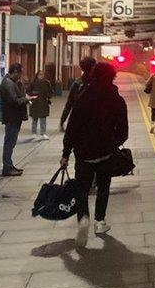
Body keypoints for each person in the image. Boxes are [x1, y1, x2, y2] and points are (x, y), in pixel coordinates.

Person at [60, 61, 128, 246]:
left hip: (84, 155)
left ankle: (83, 219)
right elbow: (124, 132)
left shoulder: (83, 98)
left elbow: (72, 129)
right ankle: (100, 222)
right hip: (106, 154)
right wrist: (112, 144)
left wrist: (66, 153)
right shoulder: (117, 100)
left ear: (93, 75)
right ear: (112, 77)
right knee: (103, 188)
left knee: (82, 189)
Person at [0, 63, 34, 176]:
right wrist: (26, 99)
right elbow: (14, 101)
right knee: (9, 142)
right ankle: (7, 167)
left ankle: (9, 165)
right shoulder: (8, 83)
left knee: (11, 142)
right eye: (19, 74)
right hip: (12, 117)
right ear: (14, 72)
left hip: (13, 117)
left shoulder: (11, 82)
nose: (20, 76)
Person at [59, 56, 96, 132]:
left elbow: (69, 104)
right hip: (93, 122)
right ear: (92, 67)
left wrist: (62, 121)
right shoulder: (97, 84)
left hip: (77, 120)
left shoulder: (77, 83)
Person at [28, 70, 53, 140]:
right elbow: (28, 91)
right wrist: (33, 94)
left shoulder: (46, 82)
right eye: (40, 74)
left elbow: (50, 91)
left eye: (42, 74)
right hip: (35, 103)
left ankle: (43, 133)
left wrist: (48, 97)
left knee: (43, 119)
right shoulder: (33, 83)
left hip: (43, 103)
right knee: (34, 119)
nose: (41, 76)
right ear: (37, 75)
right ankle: (33, 133)